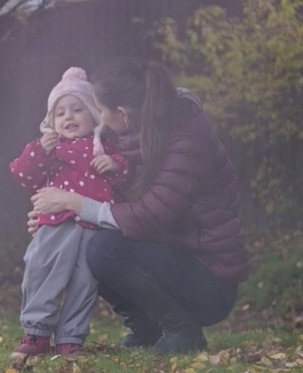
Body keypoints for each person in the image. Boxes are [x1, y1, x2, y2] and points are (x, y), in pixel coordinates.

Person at [26, 58, 249, 354]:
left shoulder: (187, 143)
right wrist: (56, 216)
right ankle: (146, 329)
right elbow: (116, 200)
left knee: (103, 248)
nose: (100, 119)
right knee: (92, 239)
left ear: (123, 113)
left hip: (208, 279)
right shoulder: (135, 132)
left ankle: (182, 330)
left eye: (102, 111)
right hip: (171, 251)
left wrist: (73, 202)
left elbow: (148, 215)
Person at [9, 67, 130, 359]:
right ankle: (36, 333)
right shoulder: (49, 149)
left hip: (92, 227)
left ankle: (70, 338)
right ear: (50, 121)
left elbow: (126, 178)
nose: (68, 117)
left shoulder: (106, 148)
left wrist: (115, 167)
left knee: (84, 282)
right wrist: (39, 150)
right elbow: (22, 175)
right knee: (42, 271)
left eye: (77, 110)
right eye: (60, 113)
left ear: (93, 113)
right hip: (55, 223)